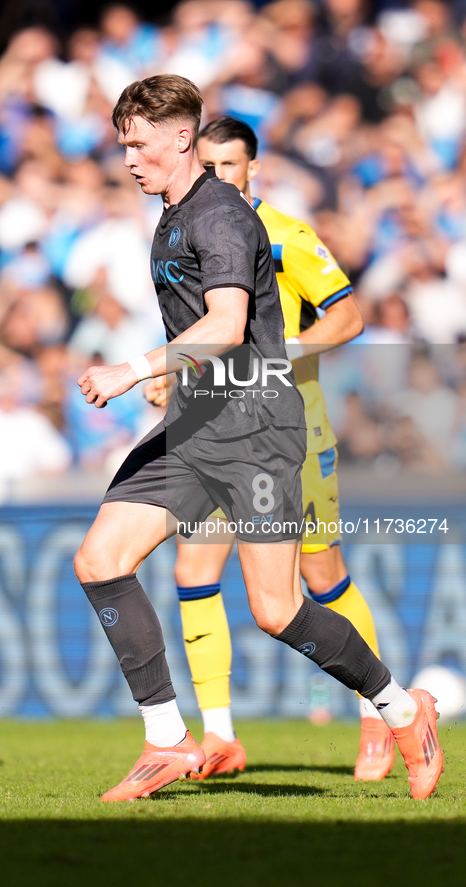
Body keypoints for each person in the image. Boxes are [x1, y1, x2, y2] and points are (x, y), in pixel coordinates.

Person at [74, 74, 442, 803]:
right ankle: (165, 739)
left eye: (138, 144)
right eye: (123, 146)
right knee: (99, 559)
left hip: (257, 432)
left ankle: (403, 708)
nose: (129, 159)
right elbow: (200, 335)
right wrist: (171, 378)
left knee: (276, 609)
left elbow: (227, 326)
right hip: (197, 422)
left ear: (181, 136)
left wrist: (134, 367)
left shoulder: (221, 218)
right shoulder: (170, 211)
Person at [144, 116, 394, 781]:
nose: (217, 176)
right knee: (193, 572)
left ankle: (379, 714)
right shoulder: (189, 232)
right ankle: (219, 733)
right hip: (210, 426)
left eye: (229, 165)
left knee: (319, 578)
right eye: (209, 164)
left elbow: (347, 313)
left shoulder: (283, 234)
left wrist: (284, 354)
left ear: (252, 169)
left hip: (289, 431)